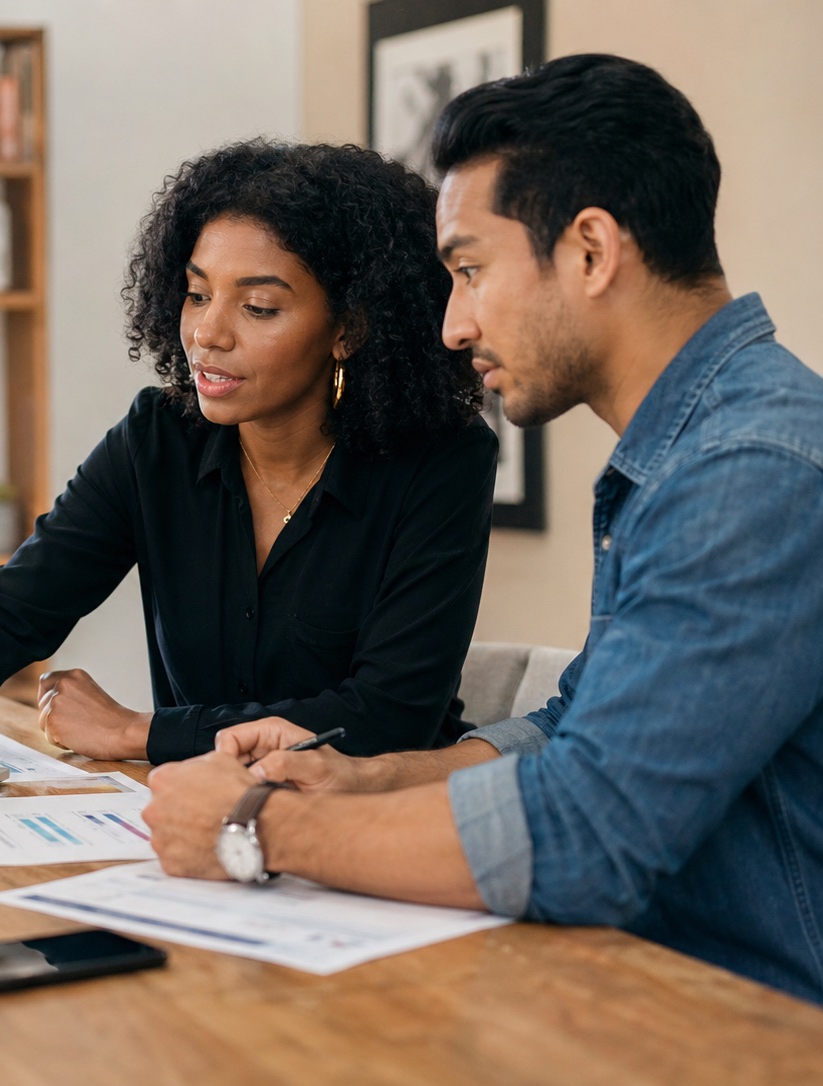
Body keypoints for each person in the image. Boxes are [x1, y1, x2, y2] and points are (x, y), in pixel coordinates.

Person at [142, 54, 823, 1006]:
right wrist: (362, 780)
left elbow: (589, 835)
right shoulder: (697, 449)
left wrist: (255, 828)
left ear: (591, 251)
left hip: (746, 1024)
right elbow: (574, 727)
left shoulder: (748, 469)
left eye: (468, 271)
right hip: (634, 986)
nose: (453, 325)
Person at [0, 139, 497, 764]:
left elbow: (385, 717)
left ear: (349, 328)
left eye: (259, 306)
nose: (207, 333)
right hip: (208, 829)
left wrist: (139, 732)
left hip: (387, 831)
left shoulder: (442, 464)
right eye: (197, 293)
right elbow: (11, 617)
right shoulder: (158, 440)